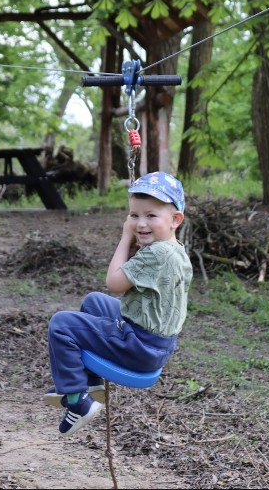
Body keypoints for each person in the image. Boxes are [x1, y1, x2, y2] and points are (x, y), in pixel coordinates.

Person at [44, 171, 193, 435]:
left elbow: (114, 282)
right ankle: (90, 383)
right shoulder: (175, 249)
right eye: (134, 216)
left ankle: (77, 401)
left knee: (62, 324)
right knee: (94, 303)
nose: (140, 223)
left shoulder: (157, 254)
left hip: (139, 346)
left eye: (151, 215)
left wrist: (125, 237)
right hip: (154, 343)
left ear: (175, 219)